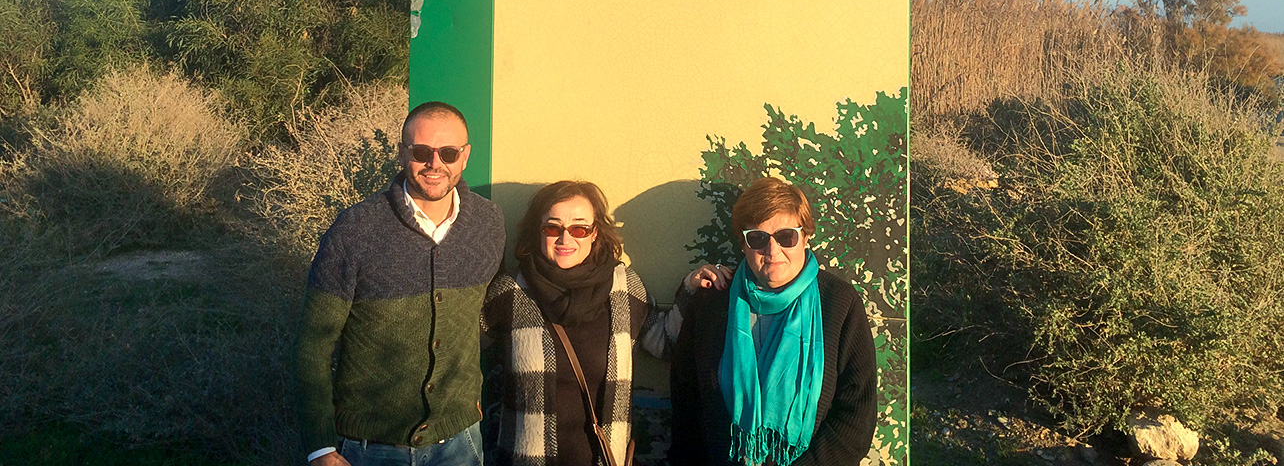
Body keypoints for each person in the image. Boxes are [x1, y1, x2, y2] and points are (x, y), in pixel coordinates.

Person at [294, 101, 506, 466]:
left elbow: (481, 318)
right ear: (401, 153)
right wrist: (320, 446)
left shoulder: (488, 223)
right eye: (421, 152)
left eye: (449, 153)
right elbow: (313, 344)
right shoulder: (355, 230)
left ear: (465, 156)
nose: (435, 164)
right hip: (368, 447)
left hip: (459, 444)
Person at [480, 180, 731, 466]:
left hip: (605, 459)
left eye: (578, 228)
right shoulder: (511, 291)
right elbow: (463, 349)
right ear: (537, 231)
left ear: (595, 233)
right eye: (552, 228)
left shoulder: (623, 288)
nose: (565, 239)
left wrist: (691, 287)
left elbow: (664, 344)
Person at [669, 177, 878, 466]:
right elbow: (686, 404)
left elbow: (857, 415)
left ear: (805, 237)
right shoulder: (712, 302)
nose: (772, 250)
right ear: (743, 244)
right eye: (757, 238)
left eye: (786, 236)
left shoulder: (840, 304)